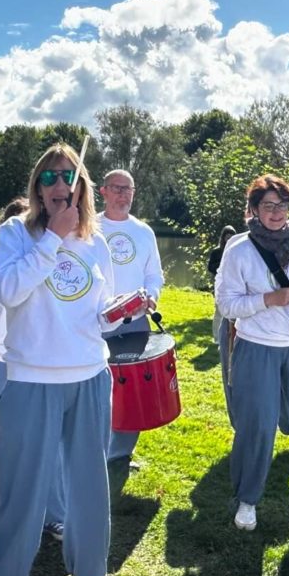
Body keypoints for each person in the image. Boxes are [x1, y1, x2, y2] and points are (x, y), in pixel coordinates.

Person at [0, 142, 138, 576]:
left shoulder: (96, 242)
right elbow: (10, 293)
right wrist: (52, 240)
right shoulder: (15, 233)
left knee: (91, 490)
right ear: (37, 186)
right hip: (31, 380)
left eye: (66, 175)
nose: (57, 183)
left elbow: (95, 312)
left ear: (81, 184)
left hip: (90, 375)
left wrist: (120, 311)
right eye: (47, 175)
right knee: (22, 495)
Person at [215, 175, 289, 532]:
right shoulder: (238, 250)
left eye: (283, 205)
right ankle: (248, 500)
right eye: (269, 205)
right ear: (253, 209)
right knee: (257, 425)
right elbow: (226, 304)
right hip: (256, 347)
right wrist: (268, 299)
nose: (277, 212)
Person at [0, 197, 67, 540]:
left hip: (40, 367)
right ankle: (0, 519)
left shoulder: (51, 263)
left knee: (50, 446)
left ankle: (54, 514)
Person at [97, 169, 164, 480]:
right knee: (99, 389)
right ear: (103, 192)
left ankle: (121, 453)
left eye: (129, 189)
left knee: (133, 390)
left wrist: (150, 297)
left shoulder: (144, 231)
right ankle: (95, 450)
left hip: (135, 322)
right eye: (117, 188)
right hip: (95, 325)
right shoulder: (89, 227)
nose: (124, 194)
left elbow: (154, 275)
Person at [208, 225, 237, 343]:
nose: (228, 239)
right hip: (220, 284)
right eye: (227, 237)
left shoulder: (236, 251)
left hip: (234, 285)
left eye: (231, 237)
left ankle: (231, 337)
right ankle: (217, 338)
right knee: (219, 312)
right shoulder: (216, 252)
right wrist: (221, 267)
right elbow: (210, 267)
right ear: (223, 237)